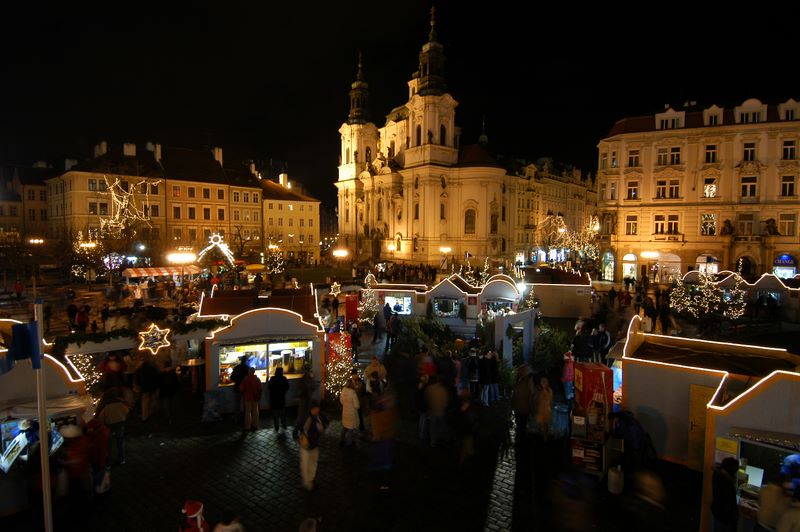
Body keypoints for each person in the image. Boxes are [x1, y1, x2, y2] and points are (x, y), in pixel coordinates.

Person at [293, 400, 329, 491]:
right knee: (305, 464)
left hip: (314, 444)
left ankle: (311, 479)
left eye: (317, 409)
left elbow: (326, 422)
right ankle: (307, 482)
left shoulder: (320, 415)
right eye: (315, 409)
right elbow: (296, 429)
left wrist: (323, 427)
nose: (316, 410)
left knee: (313, 462)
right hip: (306, 445)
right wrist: (298, 439)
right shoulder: (306, 417)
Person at [95, 388, 130, 465]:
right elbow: (127, 411)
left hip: (109, 426)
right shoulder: (121, 403)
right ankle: (122, 459)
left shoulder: (105, 405)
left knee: (109, 444)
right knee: (120, 441)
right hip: (120, 424)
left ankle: (109, 461)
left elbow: (101, 418)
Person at [711, 457, 740, 532]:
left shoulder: (717, 475)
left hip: (717, 515)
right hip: (725, 520)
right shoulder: (727, 483)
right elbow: (730, 505)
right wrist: (734, 522)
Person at [512, 364, 534, 442]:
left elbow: (530, 393)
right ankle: (521, 441)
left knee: (521, 426)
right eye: (526, 370)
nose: (527, 371)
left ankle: (520, 441)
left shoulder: (525, 379)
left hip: (522, 408)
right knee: (521, 426)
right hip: (521, 407)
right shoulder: (522, 379)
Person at [268, 366, 290, 432]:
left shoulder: (272, 378)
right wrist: (283, 392)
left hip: (274, 399)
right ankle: (284, 425)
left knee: (275, 414)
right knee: (282, 413)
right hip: (281, 398)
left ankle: (276, 427)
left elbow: (269, 387)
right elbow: (287, 387)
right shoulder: (284, 378)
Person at [339, 379, 360, 447]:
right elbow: (356, 405)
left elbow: (341, 401)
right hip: (351, 413)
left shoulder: (343, 390)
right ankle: (349, 443)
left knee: (345, 427)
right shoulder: (353, 392)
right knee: (350, 429)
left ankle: (341, 440)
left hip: (345, 411)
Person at [240, 367, 262, 431]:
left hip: (247, 398)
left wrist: (243, 394)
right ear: (254, 372)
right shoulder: (257, 379)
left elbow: (241, 389)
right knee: (255, 412)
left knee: (248, 412)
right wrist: (259, 396)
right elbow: (260, 389)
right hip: (255, 398)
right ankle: (255, 425)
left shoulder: (245, 379)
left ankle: (247, 426)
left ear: (249, 372)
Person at [230, 356, 249, 421]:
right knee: (245, 403)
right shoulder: (247, 368)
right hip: (245, 388)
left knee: (237, 404)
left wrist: (237, 380)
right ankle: (246, 417)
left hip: (237, 387)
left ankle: (237, 417)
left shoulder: (236, 367)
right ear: (246, 361)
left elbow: (232, 378)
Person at [160, 360, 179, 424]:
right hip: (173, 391)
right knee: (173, 404)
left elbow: (160, 384)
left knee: (166, 405)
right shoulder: (173, 373)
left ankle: (168, 417)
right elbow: (176, 383)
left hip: (165, 392)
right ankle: (172, 416)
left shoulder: (162, 374)